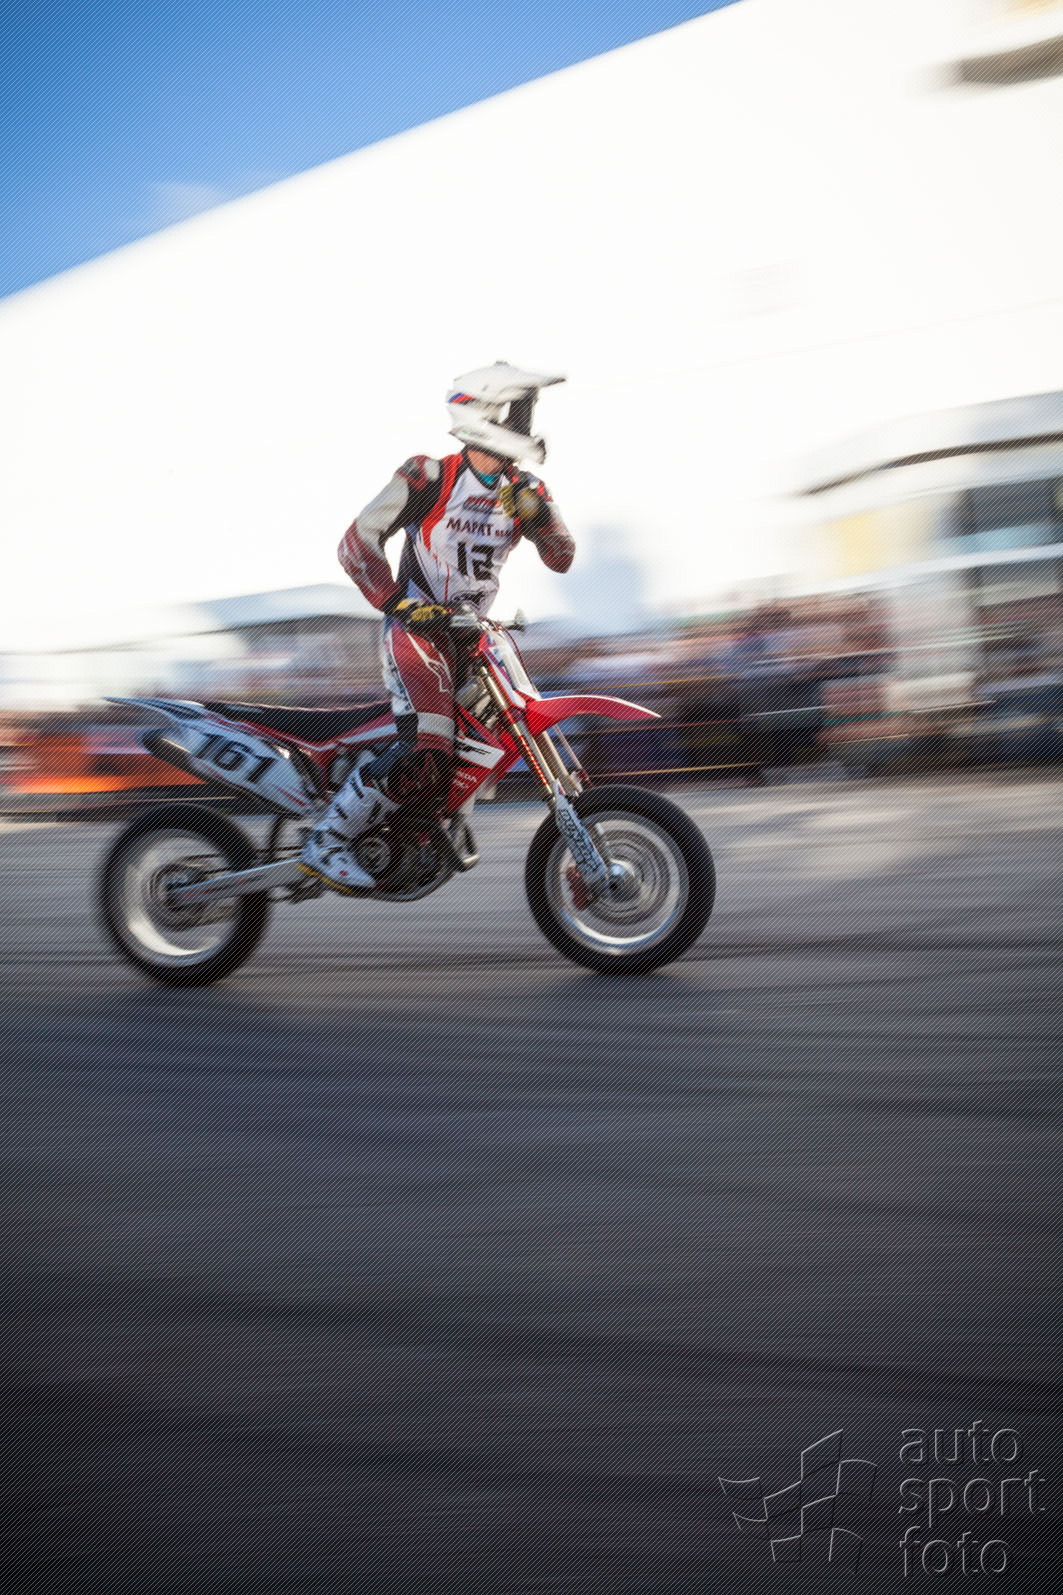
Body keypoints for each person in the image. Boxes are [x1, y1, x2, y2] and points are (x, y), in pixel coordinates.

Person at [300, 362, 576, 892]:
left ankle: (418, 831)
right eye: (517, 410)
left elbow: (561, 558)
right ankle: (327, 841)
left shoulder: (523, 489)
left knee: (489, 737)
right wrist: (399, 604)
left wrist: (541, 517)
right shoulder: (429, 476)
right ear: (485, 414)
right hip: (419, 634)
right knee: (428, 749)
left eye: (526, 410)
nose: (524, 422)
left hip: (475, 638)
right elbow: (356, 544)